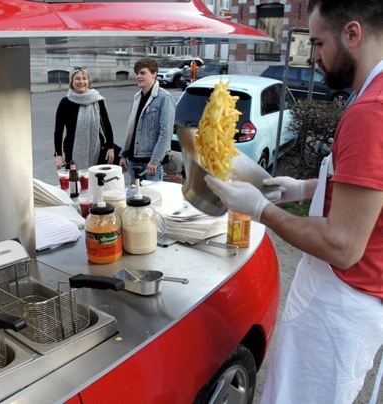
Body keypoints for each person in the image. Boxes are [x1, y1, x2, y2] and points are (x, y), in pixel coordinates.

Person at [205, 1, 383, 402]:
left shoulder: (370, 111)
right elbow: (367, 191)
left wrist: (260, 209)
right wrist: (303, 188)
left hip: (339, 306)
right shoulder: (373, 95)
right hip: (358, 300)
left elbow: (342, 245)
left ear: (352, 34)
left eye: (318, 43)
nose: (314, 55)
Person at [119, 57, 176, 182]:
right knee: (135, 198)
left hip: (151, 163)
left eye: (143, 73)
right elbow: (131, 130)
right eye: (137, 73)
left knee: (152, 199)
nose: (138, 76)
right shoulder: (137, 97)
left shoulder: (164, 98)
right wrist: (124, 155)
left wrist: (155, 161)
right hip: (133, 161)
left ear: (154, 74)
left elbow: (166, 132)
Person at [54, 67, 115, 170]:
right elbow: (58, 131)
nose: (81, 81)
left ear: (88, 81)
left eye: (84, 78)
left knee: (95, 182)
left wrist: (110, 147)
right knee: (75, 182)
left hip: (96, 150)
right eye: (77, 79)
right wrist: (58, 155)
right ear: (72, 82)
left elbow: (106, 125)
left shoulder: (97, 100)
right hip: (72, 151)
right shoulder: (65, 102)